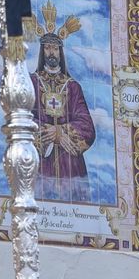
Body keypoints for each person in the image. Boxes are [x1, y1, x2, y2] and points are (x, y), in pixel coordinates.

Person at [29, 12, 96, 202]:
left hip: (70, 164)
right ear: (43, 52)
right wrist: (48, 133)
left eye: (55, 49)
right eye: (48, 48)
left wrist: (60, 132)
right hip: (42, 161)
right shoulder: (32, 83)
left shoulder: (73, 87)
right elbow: (23, 117)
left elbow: (87, 126)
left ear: (61, 53)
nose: (52, 53)